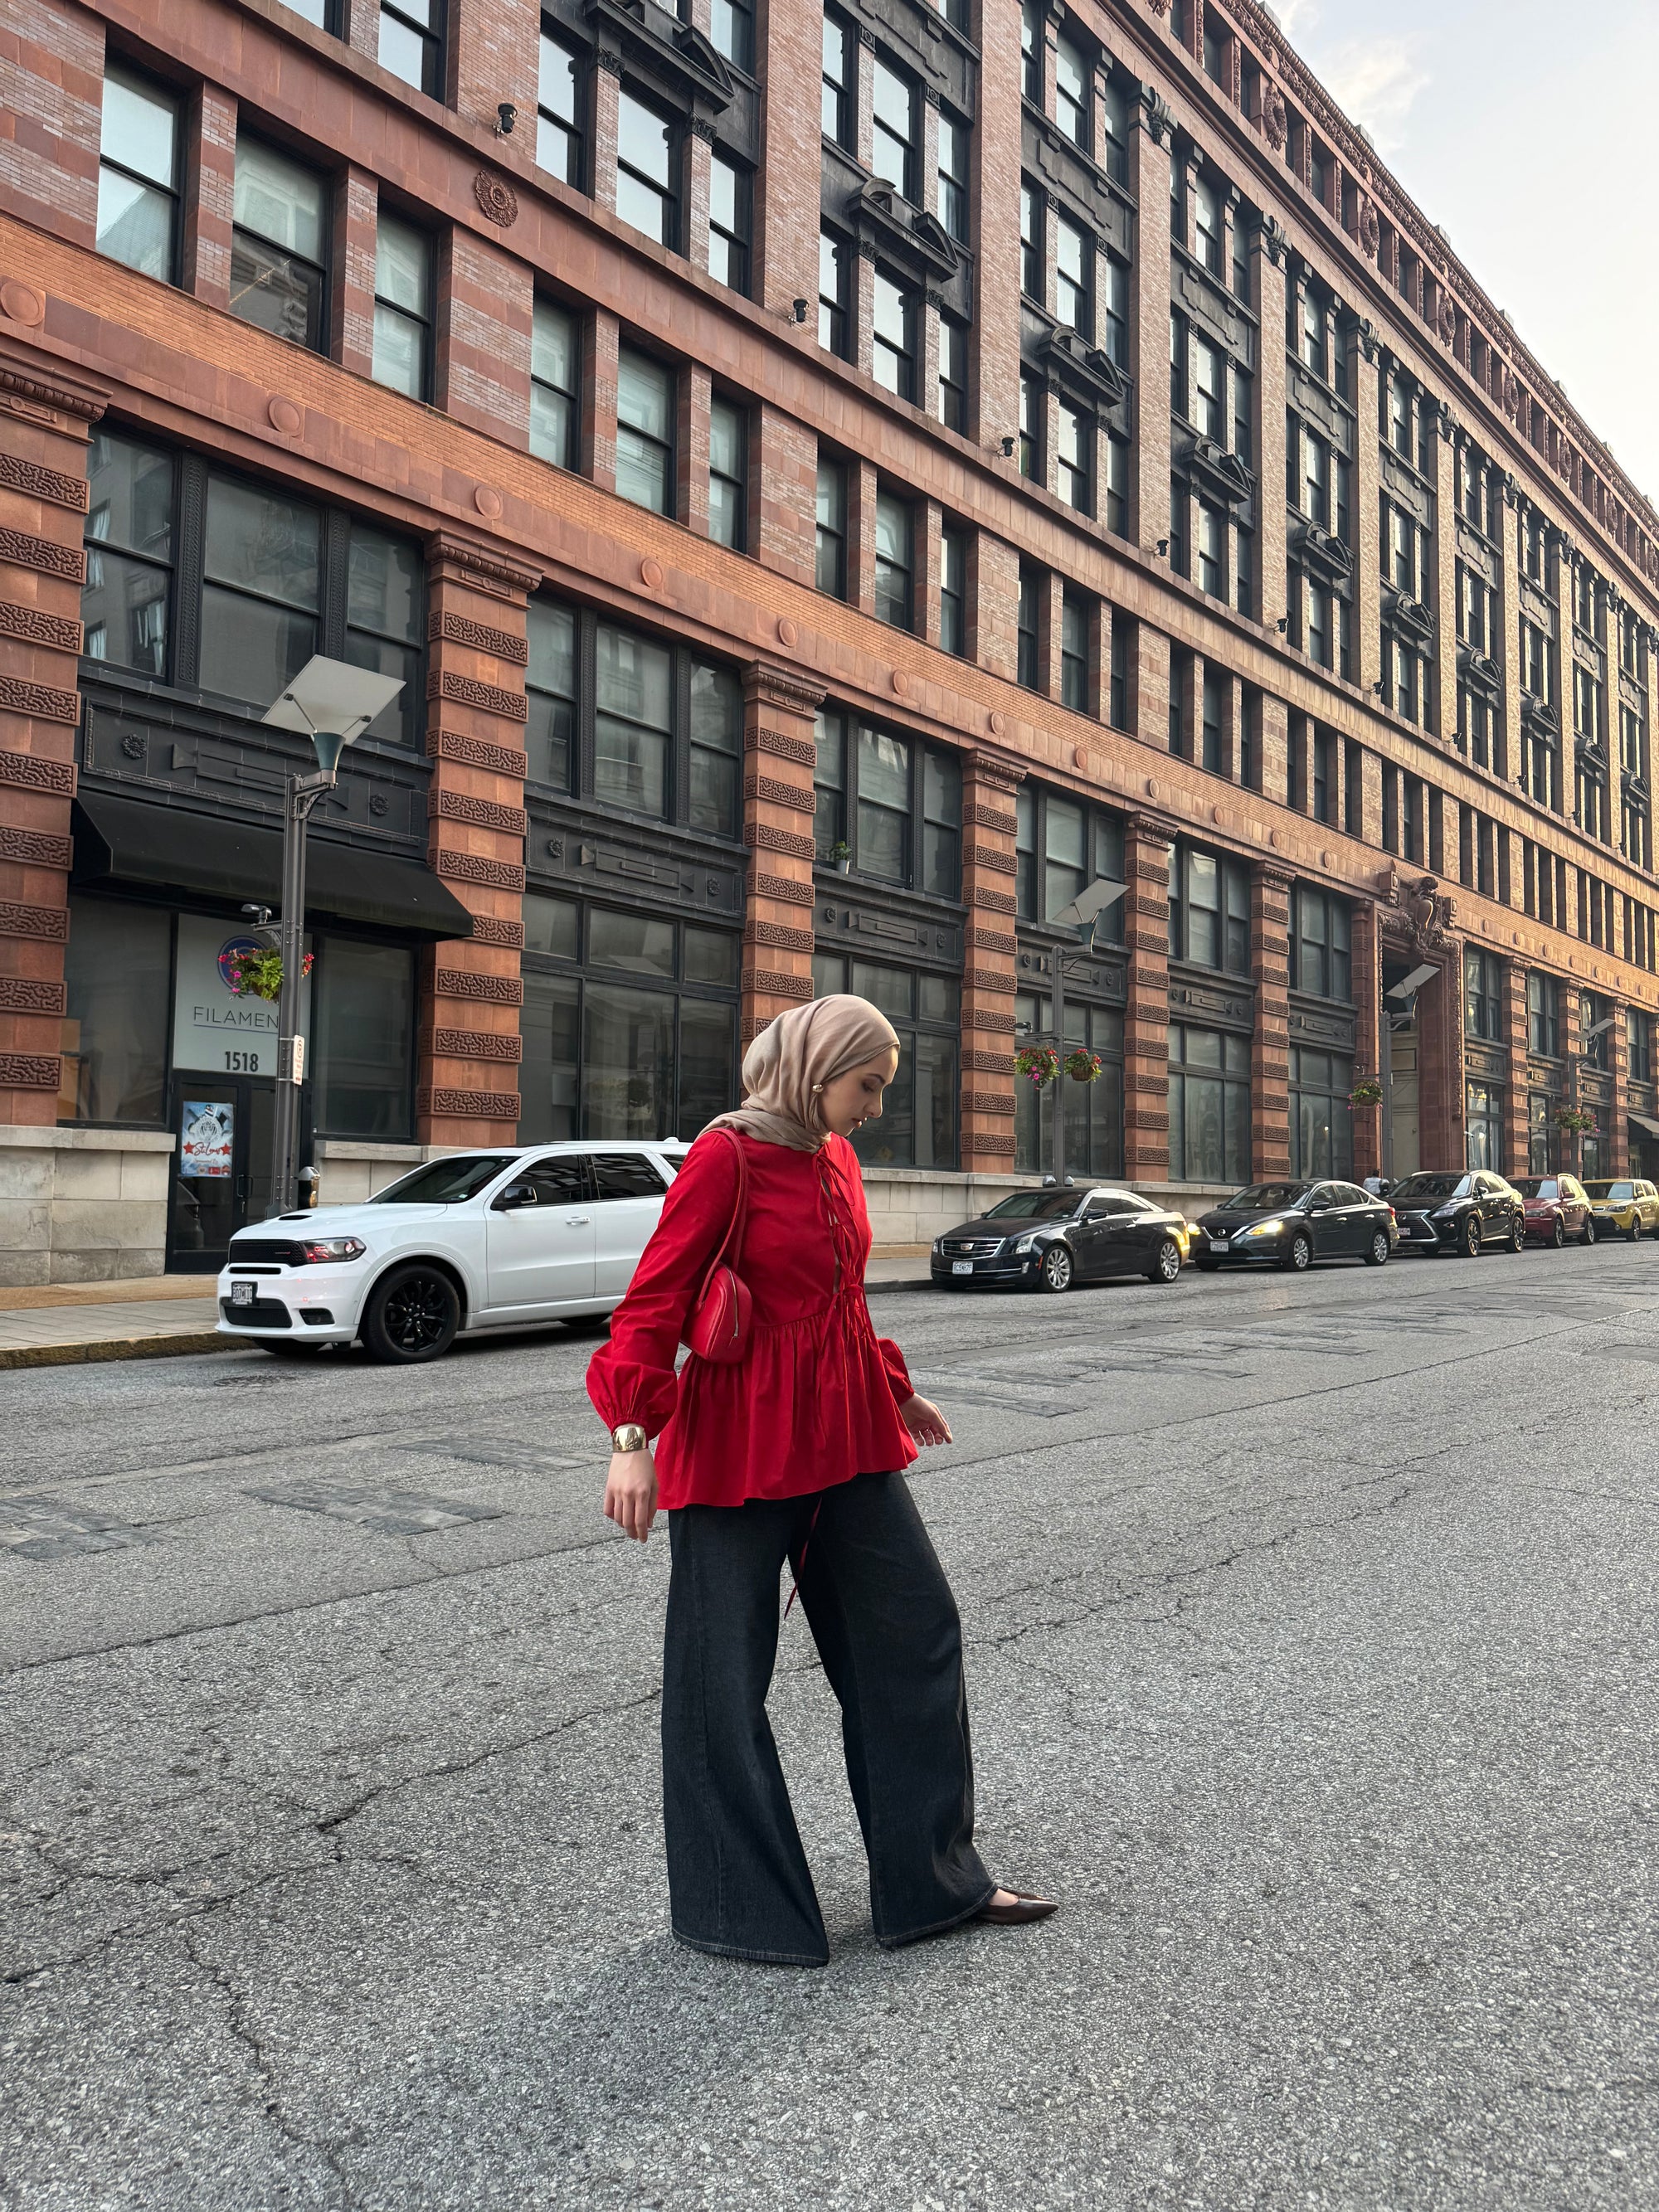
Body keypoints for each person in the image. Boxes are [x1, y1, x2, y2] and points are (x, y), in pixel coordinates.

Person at [588, 994, 1055, 1966]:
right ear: (814, 1068)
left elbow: (839, 1296)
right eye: (865, 1085)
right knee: (721, 1682)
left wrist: (895, 1391)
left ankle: (932, 1884)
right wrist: (630, 1433)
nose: (874, 1107)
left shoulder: (833, 1157)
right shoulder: (728, 1155)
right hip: (737, 1447)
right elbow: (655, 1298)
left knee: (915, 1633)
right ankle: (737, 1907)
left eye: (882, 1088)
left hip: (844, 1436)